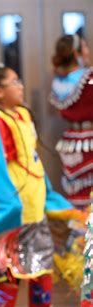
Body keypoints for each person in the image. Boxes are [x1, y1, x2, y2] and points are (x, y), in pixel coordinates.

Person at [0, 64, 82, 307]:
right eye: (15, 82)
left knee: (41, 281)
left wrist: (47, 196)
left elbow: (32, 162)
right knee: (6, 290)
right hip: (9, 225)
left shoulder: (23, 116)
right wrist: (6, 206)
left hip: (35, 217)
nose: (21, 86)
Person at [50, 34, 92, 209]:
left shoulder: (58, 81)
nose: (88, 50)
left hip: (70, 141)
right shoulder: (88, 78)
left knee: (76, 192)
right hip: (89, 141)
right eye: (85, 47)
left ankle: (78, 232)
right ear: (77, 53)